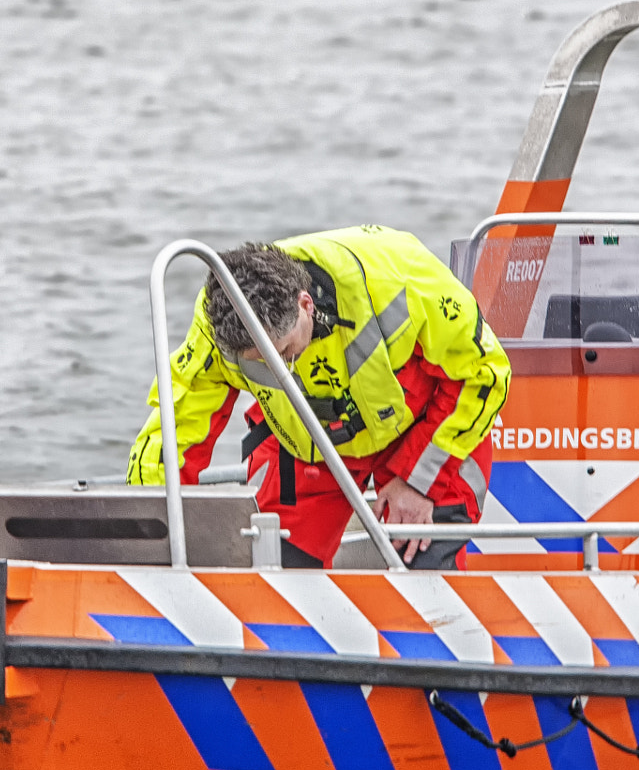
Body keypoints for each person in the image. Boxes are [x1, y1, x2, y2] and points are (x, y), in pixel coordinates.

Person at [127, 226, 507, 569]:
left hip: (425, 435)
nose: (281, 373)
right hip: (307, 445)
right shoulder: (217, 325)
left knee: (424, 568)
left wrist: (417, 481)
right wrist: (147, 529)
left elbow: (486, 373)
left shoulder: (402, 279)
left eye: (287, 353)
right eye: (261, 367)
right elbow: (176, 425)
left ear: (305, 305)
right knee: (275, 573)